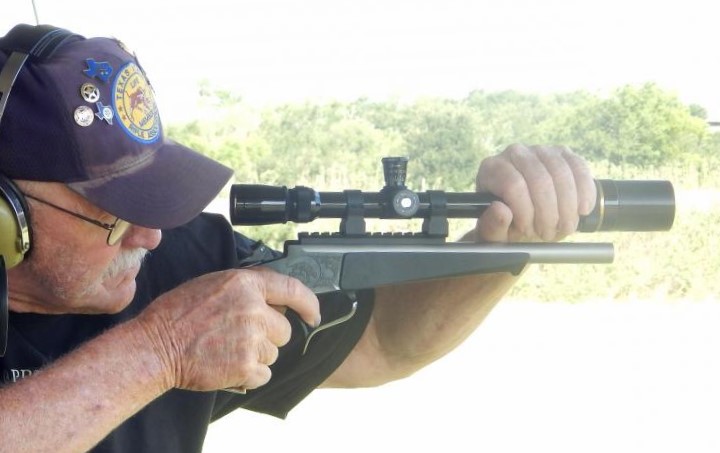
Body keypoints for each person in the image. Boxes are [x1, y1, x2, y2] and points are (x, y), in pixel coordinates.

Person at [0, 24, 597, 453]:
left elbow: (384, 343)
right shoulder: (174, 324)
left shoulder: (187, 263)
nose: (152, 236)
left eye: (153, 201)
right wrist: (159, 352)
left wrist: (501, 243)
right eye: (113, 214)